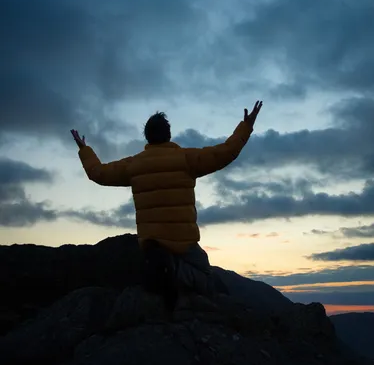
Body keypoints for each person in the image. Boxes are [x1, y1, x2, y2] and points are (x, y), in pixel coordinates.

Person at [71, 101, 262, 303]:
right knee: (206, 278)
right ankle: (173, 269)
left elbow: (98, 173)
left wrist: (85, 150)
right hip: (184, 242)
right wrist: (246, 126)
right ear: (168, 134)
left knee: (166, 271)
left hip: (151, 243)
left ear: (147, 137)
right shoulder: (186, 158)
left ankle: (162, 268)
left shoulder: (134, 164)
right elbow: (225, 152)